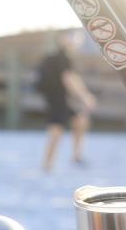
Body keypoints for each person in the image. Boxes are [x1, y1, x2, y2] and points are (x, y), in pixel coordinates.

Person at [38, 31, 97, 172]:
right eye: (72, 37)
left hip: (60, 98)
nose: (76, 41)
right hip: (56, 98)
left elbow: (72, 77)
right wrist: (85, 97)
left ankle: (76, 156)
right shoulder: (62, 56)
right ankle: (47, 164)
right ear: (63, 39)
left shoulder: (62, 56)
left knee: (80, 121)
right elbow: (69, 78)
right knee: (56, 129)